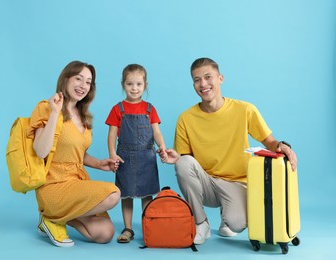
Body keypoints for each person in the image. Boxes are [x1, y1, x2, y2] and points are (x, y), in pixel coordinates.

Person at [162, 57, 297, 245]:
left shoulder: (245, 109)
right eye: (197, 79)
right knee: (183, 163)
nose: (203, 84)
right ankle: (201, 223)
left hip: (237, 183)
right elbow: (186, 161)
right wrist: (177, 159)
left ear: (220, 79)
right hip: (207, 183)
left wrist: (283, 145)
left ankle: (227, 217)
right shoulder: (186, 118)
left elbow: (269, 141)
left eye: (208, 77)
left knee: (236, 224)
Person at [28, 61, 121, 247]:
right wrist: (55, 113)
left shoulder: (84, 116)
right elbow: (41, 151)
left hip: (76, 183)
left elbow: (77, 154)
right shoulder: (46, 108)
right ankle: (50, 214)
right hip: (53, 185)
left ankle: (54, 219)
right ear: (66, 79)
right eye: (78, 79)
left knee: (105, 233)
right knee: (113, 193)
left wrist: (99, 163)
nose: (83, 86)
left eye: (88, 82)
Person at [105, 64, 167, 243]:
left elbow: (156, 132)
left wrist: (162, 146)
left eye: (138, 84)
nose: (134, 88)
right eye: (130, 84)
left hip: (147, 157)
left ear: (145, 85)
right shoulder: (118, 109)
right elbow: (111, 134)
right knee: (126, 194)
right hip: (124, 157)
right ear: (123, 84)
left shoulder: (149, 108)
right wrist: (112, 154)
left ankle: (148, 226)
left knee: (147, 195)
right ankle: (128, 229)